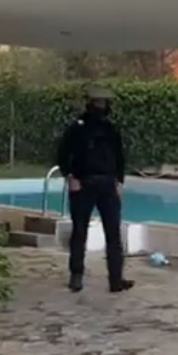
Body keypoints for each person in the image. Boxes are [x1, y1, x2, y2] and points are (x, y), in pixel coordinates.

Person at [56, 86, 134, 294]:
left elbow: (119, 157)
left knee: (113, 233)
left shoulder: (111, 129)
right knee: (79, 231)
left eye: (104, 103)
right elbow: (63, 154)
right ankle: (76, 275)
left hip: (107, 184)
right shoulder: (77, 128)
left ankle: (116, 279)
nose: (101, 106)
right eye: (98, 102)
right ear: (89, 103)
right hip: (83, 183)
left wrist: (119, 182)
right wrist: (70, 176)